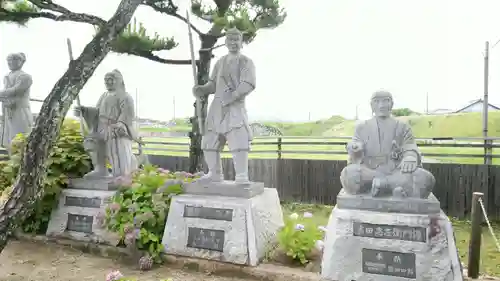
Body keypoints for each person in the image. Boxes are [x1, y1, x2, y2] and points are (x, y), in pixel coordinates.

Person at [340, 90, 435, 198]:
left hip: (396, 171)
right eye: (377, 101)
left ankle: (383, 184)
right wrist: (355, 149)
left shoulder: (402, 126)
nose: (382, 105)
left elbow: (410, 145)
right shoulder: (362, 128)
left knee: (425, 179)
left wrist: (410, 156)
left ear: (392, 104)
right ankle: (392, 186)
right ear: (371, 105)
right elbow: (355, 147)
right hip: (370, 172)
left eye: (386, 101)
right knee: (348, 174)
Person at [193, 27, 256, 184]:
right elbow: (213, 84)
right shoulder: (220, 62)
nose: (233, 43)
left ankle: (241, 175)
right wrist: (202, 89)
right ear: (226, 42)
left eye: (236, 40)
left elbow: (248, 83)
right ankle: (214, 173)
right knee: (209, 140)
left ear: (241, 43)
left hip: (235, 106)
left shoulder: (246, 62)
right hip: (217, 107)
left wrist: (233, 95)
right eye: (230, 40)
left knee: (238, 140)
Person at [74, 69, 138, 178]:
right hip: (101, 126)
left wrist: (120, 123)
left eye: (111, 79)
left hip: (116, 128)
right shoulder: (104, 95)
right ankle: (100, 169)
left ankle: (122, 174)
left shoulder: (125, 96)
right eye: (106, 80)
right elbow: (97, 111)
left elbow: (127, 112)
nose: (108, 82)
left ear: (119, 81)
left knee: (117, 152)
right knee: (94, 144)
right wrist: (84, 110)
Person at [0, 52, 33, 149]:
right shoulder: (7, 76)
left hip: (20, 110)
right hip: (8, 110)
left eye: (13, 60)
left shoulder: (25, 77)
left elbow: (16, 90)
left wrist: (1, 93)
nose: (10, 62)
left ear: (21, 61)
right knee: (9, 138)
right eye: (8, 60)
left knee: (20, 136)